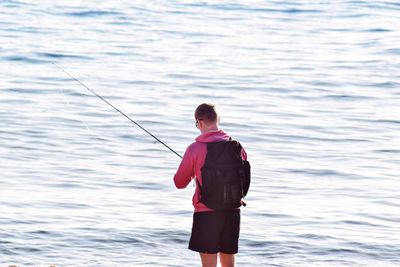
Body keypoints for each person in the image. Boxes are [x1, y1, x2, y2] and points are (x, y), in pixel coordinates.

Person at [173, 103, 248, 267]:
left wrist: (193, 172)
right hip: (232, 212)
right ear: (218, 119)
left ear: (199, 123)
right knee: (229, 265)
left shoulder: (194, 149)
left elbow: (179, 182)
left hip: (206, 214)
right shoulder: (237, 147)